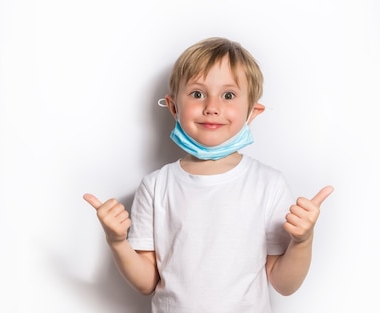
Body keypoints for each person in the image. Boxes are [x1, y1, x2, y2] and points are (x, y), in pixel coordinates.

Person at [83, 37, 334, 312]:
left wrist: (303, 241)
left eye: (228, 95)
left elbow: (284, 284)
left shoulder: (268, 184)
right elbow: (146, 282)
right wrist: (117, 241)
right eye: (198, 93)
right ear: (173, 107)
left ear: (253, 112)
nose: (212, 106)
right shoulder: (156, 186)